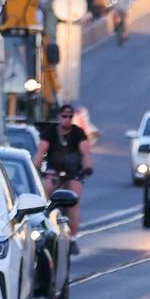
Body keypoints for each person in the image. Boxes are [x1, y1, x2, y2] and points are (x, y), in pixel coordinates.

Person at [38, 104, 93, 251]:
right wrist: (35, 166)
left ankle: (74, 237)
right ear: (59, 117)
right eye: (64, 116)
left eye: (70, 116)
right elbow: (41, 150)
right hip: (53, 170)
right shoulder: (50, 131)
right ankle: (41, 225)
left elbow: (85, 151)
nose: (67, 119)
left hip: (73, 171)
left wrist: (87, 167)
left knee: (73, 200)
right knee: (45, 192)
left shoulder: (78, 133)